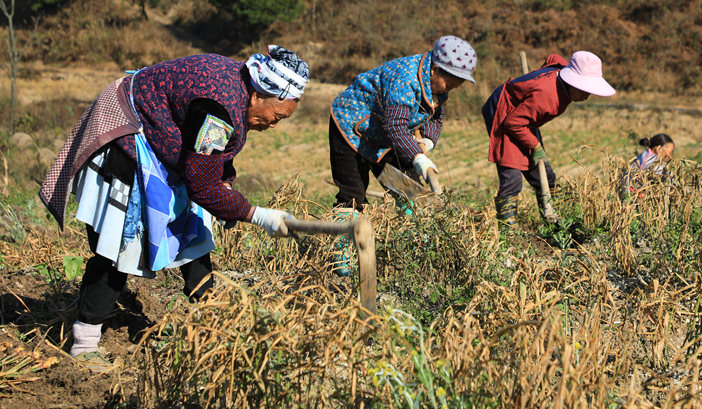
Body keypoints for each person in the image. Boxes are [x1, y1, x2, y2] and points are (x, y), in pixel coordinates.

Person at [39, 48, 309, 372]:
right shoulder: (218, 107)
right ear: (260, 94)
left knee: (193, 235)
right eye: (277, 116)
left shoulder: (235, 90)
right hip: (128, 137)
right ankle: (84, 345)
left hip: (162, 148)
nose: (274, 125)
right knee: (117, 251)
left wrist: (226, 193)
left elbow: (208, 165)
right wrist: (255, 214)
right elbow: (202, 184)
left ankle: (213, 331)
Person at [327, 36, 477, 275]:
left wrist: (426, 141)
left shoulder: (437, 84)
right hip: (350, 127)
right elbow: (396, 126)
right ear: (436, 68)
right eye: (450, 82)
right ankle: (342, 266)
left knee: (409, 191)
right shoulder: (405, 77)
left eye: (457, 85)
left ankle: (416, 254)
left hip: (384, 135)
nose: (451, 88)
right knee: (352, 197)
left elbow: (435, 115)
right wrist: (418, 158)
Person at [483, 51, 615, 228]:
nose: (587, 96)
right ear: (572, 82)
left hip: (525, 117)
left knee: (544, 172)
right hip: (504, 111)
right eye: (584, 90)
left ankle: (552, 220)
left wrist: (530, 87)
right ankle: (508, 230)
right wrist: (534, 144)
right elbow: (513, 123)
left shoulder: (561, 69)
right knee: (512, 175)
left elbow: (553, 58)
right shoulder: (547, 98)